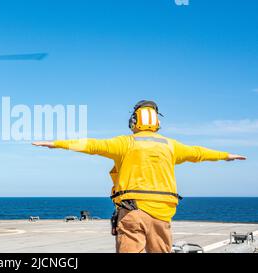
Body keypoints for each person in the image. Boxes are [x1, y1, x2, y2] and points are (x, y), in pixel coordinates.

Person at [33, 100, 246, 253]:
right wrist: (225, 155)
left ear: (134, 121)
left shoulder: (125, 143)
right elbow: (199, 153)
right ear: (157, 123)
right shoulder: (171, 146)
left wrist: (56, 143)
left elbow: (91, 145)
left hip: (132, 211)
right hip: (162, 214)